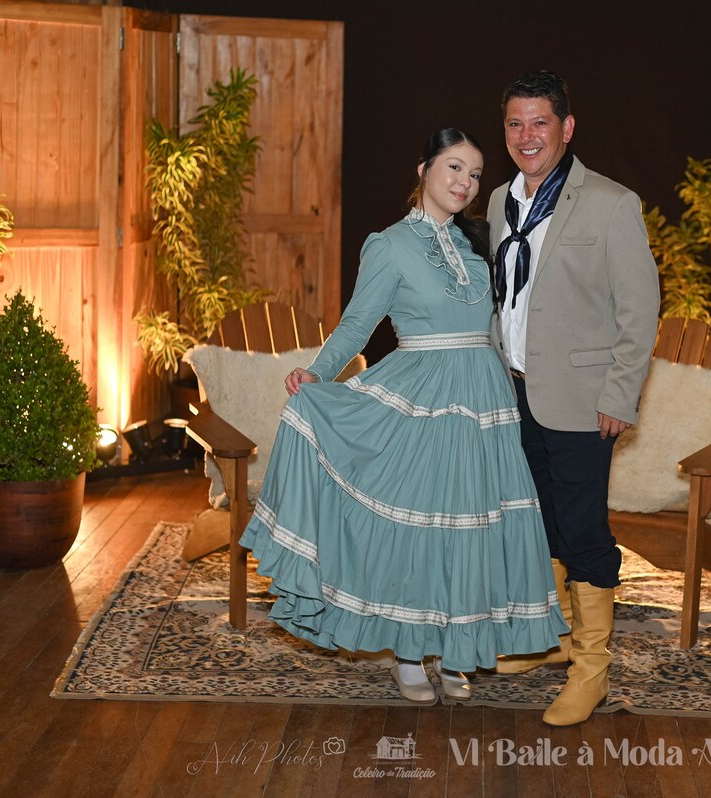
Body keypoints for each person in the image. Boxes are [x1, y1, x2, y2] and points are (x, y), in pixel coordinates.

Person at [239, 128, 569, 705]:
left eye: (474, 173)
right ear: (424, 169)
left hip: (485, 400)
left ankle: (458, 648)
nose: (465, 182)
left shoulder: (477, 243)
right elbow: (357, 323)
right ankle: (410, 654)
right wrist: (318, 373)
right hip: (423, 399)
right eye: (454, 167)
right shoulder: (389, 245)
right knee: (419, 529)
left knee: (472, 529)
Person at [487, 71, 660, 726]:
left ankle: (592, 670)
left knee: (584, 532)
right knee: (538, 524)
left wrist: (620, 394)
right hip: (515, 394)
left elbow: (639, 311)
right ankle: (554, 640)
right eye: (515, 123)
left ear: (567, 127)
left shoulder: (612, 203)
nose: (527, 135)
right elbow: (502, 300)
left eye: (540, 122)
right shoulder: (500, 200)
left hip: (585, 403)